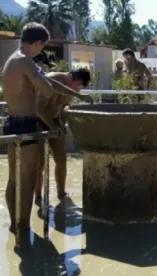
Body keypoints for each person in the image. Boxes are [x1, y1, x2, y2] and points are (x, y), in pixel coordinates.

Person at [1, 22, 91, 244]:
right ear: (37, 43)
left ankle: (15, 224)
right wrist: (39, 75)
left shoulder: (12, 60)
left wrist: (39, 75)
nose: (42, 51)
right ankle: (24, 226)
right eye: (42, 47)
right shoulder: (26, 61)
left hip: (12, 122)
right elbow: (47, 90)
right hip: (27, 124)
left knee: (14, 178)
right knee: (27, 179)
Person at [34, 68, 91, 203]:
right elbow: (39, 108)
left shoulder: (73, 90)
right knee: (39, 163)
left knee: (61, 159)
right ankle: (37, 196)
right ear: (73, 79)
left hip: (55, 120)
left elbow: (63, 107)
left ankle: (61, 193)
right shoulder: (52, 79)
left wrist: (61, 124)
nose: (78, 89)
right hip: (38, 120)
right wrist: (52, 127)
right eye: (79, 85)